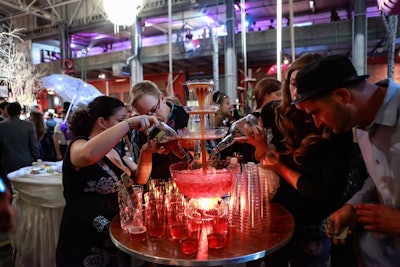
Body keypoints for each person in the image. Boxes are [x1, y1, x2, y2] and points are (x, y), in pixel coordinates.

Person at [247, 53, 365, 266]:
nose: (297, 91)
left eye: (303, 83)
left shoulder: (335, 124)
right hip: (278, 215)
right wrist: (261, 148)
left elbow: (324, 194)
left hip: (313, 222)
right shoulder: (273, 112)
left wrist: (281, 168)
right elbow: (262, 161)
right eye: (293, 83)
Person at [294, 55, 400, 266]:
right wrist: (353, 205)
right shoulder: (359, 125)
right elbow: (378, 179)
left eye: (316, 112)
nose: (317, 124)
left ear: (342, 96)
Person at [56, 96, 158, 267]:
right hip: (85, 239)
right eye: (120, 120)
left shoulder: (115, 151)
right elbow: (88, 155)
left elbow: (139, 179)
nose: (124, 125)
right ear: (102, 122)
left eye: (125, 120)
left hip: (114, 235)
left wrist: (147, 152)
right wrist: (130, 123)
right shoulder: (79, 145)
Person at [130, 80, 189, 182]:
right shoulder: (139, 131)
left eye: (154, 110)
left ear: (162, 98)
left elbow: (210, 161)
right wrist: (146, 152)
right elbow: (141, 179)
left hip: (191, 184)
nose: (152, 118)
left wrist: (191, 146)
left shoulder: (188, 116)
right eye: (146, 116)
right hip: (160, 191)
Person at [0, 102, 40, 175]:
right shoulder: (29, 125)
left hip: (8, 162)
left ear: (8, 112)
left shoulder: (1, 126)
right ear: (20, 112)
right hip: (26, 161)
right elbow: (34, 145)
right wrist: (37, 157)